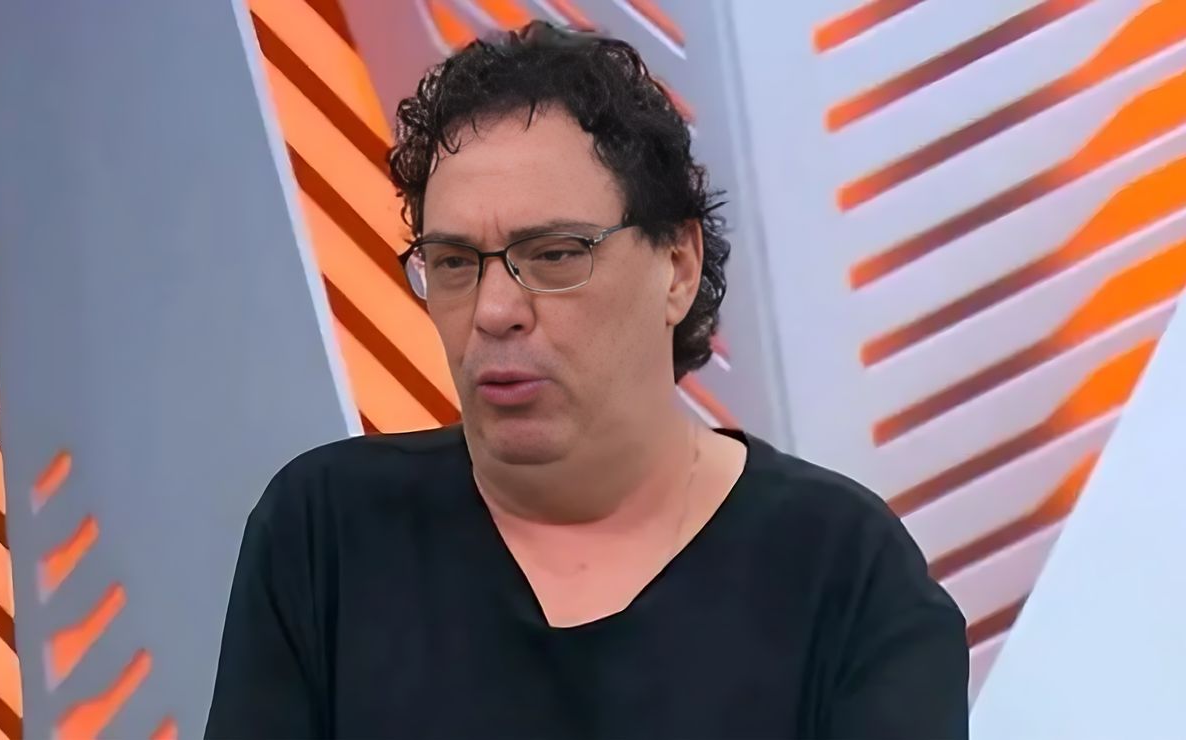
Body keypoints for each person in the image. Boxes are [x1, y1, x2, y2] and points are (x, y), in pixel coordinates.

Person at [205, 20, 968, 739]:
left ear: (677, 267)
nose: (494, 311)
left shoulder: (844, 574)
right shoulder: (326, 535)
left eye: (554, 255)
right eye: (455, 263)